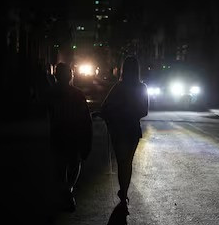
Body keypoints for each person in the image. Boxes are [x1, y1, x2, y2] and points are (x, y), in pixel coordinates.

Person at [100, 56, 148, 210]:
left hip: (119, 130)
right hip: (132, 130)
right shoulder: (142, 88)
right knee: (127, 162)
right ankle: (124, 192)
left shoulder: (118, 87)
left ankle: (124, 193)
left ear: (123, 69)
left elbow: (105, 107)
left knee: (122, 163)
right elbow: (144, 111)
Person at [47, 62, 93, 212]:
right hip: (73, 135)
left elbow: (47, 114)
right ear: (70, 76)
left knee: (60, 167)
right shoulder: (77, 94)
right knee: (74, 164)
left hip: (58, 134)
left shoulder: (51, 93)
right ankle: (68, 191)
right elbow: (85, 119)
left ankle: (65, 192)